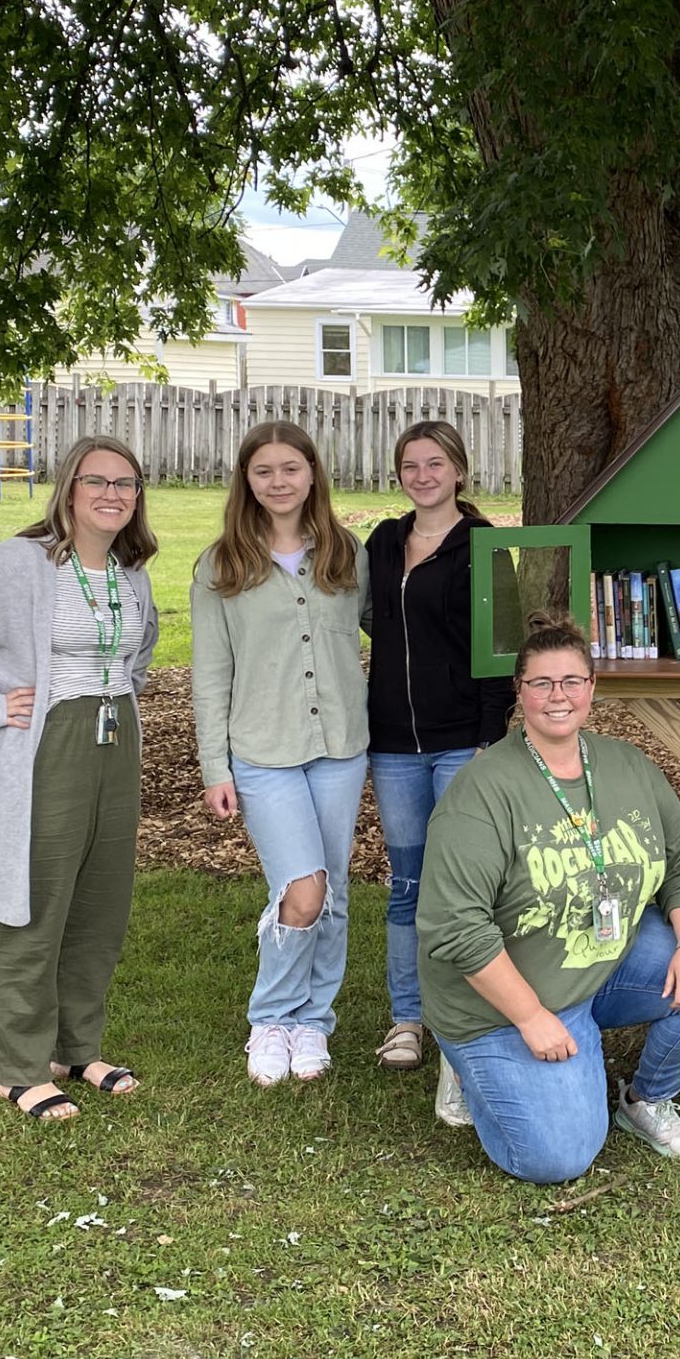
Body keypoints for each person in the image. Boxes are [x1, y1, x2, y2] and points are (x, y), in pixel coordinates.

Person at [415, 612, 680, 1184]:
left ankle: (646, 1099)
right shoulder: (483, 791)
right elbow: (456, 928)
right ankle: (469, 1062)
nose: (558, 696)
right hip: (500, 999)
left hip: (599, 960)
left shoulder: (627, 766)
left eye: (572, 681)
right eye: (541, 683)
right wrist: (531, 1017)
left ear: (592, 688)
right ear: (519, 693)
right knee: (558, 1157)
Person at [0, 437, 161, 1121]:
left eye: (126, 483)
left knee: (100, 906)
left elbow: (139, 648)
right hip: (48, 744)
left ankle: (76, 1047)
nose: (113, 494)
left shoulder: (131, 571)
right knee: (35, 902)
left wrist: (120, 695)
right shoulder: (21, 564)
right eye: (96, 480)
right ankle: (19, 1065)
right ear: (68, 489)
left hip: (115, 739)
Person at [191, 420, 371, 1088]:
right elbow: (209, 677)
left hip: (340, 748)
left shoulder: (346, 555)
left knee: (335, 889)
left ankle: (312, 1023)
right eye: (263, 471)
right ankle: (269, 1016)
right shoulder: (220, 566)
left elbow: (392, 627)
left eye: (290, 468)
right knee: (302, 888)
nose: (278, 482)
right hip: (262, 752)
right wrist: (216, 767)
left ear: (312, 473)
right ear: (247, 480)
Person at [362, 420, 516, 1115]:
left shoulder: (484, 548)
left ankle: (468, 1021)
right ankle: (407, 1018)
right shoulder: (383, 543)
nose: (422, 476)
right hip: (392, 742)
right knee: (409, 883)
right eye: (410, 465)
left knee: (463, 892)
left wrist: (489, 738)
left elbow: (502, 652)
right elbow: (369, 621)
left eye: (435, 464)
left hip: (463, 742)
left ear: (459, 470)